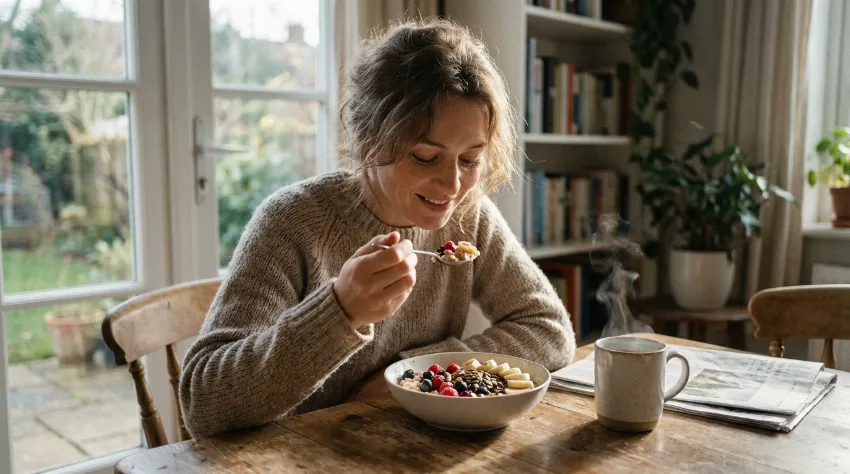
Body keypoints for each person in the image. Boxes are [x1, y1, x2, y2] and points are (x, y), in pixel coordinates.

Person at [179, 17, 575, 438]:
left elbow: (549, 329)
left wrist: (414, 373)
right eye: (425, 157)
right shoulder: (293, 221)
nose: (453, 185)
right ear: (369, 140)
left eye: (470, 159)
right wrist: (340, 312)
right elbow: (204, 402)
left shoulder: (468, 216)